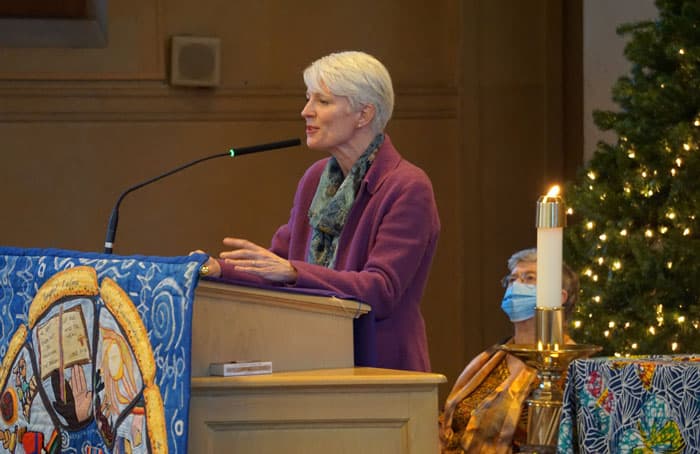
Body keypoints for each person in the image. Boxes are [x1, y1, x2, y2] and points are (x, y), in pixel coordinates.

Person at [194, 51, 440, 372]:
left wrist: (296, 273)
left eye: (322, 101)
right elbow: (275, 266)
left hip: (379, 371)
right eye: (308, 99)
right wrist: (219, 270)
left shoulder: (407, 186)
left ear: (364, 114)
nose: (306, 111)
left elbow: (381, 291)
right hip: (309, 361)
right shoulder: (315, 179)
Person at [438, 248, 579, 453]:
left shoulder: (568, 365)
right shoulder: (491, 359)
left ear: (559, 297)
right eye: (512, 279)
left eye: (529, 278)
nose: (516, 286)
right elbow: (448, 419)